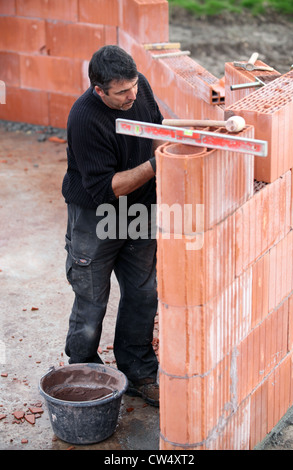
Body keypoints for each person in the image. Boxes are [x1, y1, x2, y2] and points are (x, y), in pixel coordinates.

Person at [61, 45, 164, 407]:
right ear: (99, 89)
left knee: (142, 293)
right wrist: (155, 166)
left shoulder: (140, 88)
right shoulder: (84, 118)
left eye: (134, 85)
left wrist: (171, 152)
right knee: (91, 299)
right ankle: (84, 374)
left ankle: (139, 371)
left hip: (140, 211)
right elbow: (107, 189)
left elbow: (157, 130)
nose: (132, 95)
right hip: (96, 216)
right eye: (122, 92)